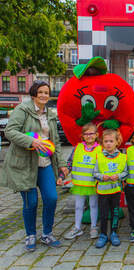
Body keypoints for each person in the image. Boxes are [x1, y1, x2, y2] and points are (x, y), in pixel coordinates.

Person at [0, 80, 68, 252]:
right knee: (31, 202)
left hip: (44, 163)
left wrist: (61, 164)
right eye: (40, 93)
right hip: (25, 164)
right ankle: (30, 235)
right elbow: (9, 131)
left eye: (46, 92)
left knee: (51, 198)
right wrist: (31, 141)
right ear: (33, 95)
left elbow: (56, 141)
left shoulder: (51, 115)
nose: (44, 95)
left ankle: (47, 233)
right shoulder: (22, 110)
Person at [58, 123, 102, 240]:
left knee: (93, 204)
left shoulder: (100, 149)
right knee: (78, 206)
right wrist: (62, 176)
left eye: (91, 133)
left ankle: (94, 227)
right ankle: (77, 228)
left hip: (93, 183)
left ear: (96, 134)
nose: (89, 136)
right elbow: (70, 163)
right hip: (79, 183)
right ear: (82, 136)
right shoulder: (77, 148)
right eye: (86, 134)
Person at [93, 129, 128, 248]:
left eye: (111, 141)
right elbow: (95, 173)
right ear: (102, 142)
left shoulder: (122, 157)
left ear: (117, 142)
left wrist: (118, 176)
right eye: (106, 141)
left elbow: (126, 172)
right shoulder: (99, 156)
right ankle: (103, 234)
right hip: (103, 190)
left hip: (116, 190)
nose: (108, 143)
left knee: (115, 212)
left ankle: (114, 233)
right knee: (103, 214)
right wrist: (102, 177)